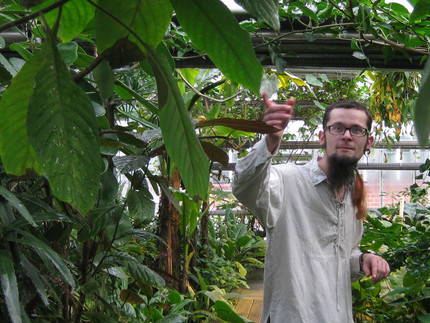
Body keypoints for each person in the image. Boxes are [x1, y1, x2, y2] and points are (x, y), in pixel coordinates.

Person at [232, 93, 390, 323]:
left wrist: (363, 259)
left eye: (356, 130)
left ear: (369, 142)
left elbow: (343, 257)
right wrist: (271, 140)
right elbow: (243, 184)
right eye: (337, 128)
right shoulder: (287, 181)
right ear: (322, 137)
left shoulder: (353, 196)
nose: (346, 136)